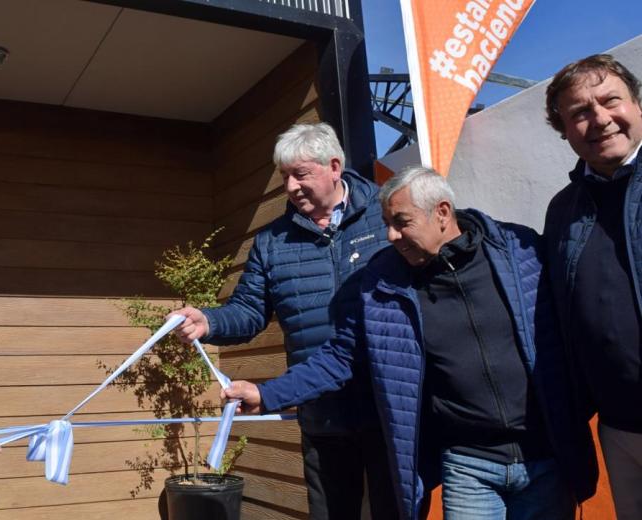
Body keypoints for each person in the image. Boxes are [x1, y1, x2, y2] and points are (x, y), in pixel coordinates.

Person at [223, 166, 598, 520]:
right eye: (386, 224)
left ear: (442, 213)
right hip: (468, 464)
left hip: (545, 457)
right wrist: (268, 394)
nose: (390, 236)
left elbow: (576, 325)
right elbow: (340, 357)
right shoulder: (385, 285)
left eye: (402, 223)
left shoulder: (520, 252)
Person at [172, 122, 395, 519]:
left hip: (391, 408)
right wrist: (208, 322)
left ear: (334, 166)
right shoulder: (273, 241)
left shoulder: (385, 218)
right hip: (322, 413)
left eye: (300, 174)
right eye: (285, 177)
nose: (291, 187)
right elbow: (249, 310)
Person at [543, 54, 642, 519]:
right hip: (619, 429)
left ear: (637, 105)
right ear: (564, 129)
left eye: (610, 101)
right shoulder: (563, 209)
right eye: (580, 111)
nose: (599, 118)